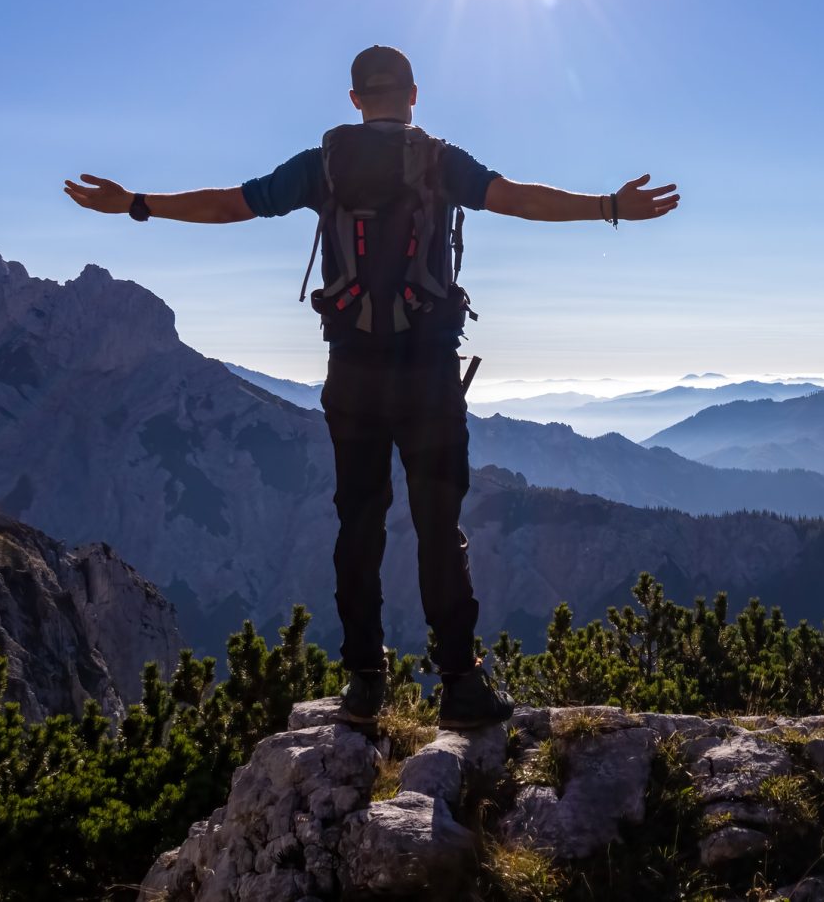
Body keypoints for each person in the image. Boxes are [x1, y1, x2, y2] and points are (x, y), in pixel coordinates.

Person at [64, 45, 679, 728]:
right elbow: (519, 199)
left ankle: (364, 680)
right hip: (428, 375)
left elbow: (226, 206)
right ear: (414, 94)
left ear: (354, 99)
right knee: (439, 528)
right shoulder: (442, 160)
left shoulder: (321, 165)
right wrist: (608, 206)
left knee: (358, 524)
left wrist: (137, 204)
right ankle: (460, 684)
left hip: (352, 372)